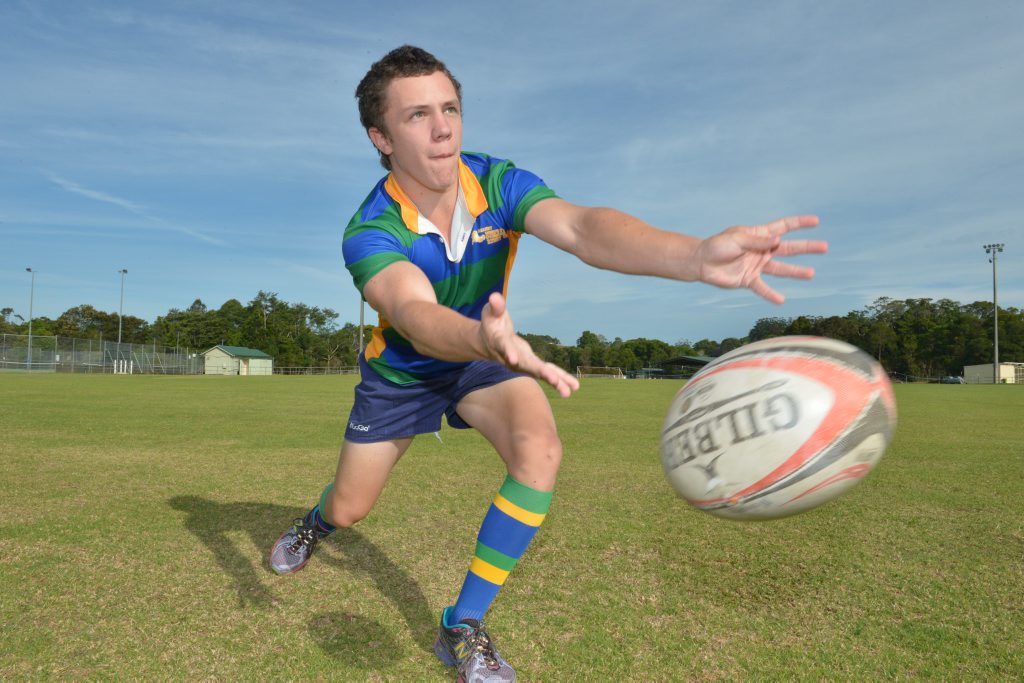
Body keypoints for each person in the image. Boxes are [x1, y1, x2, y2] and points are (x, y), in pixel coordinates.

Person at [270, 45, 827, 682]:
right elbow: (413, 312)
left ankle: (462, 623)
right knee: (351, 507)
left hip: (488, 354)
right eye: (418, 115)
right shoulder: (369, 228)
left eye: (450, 108)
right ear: (382, 137)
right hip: (408, 372)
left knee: (540, 450)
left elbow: (585, 228)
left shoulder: (498, 181)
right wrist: (482, 337)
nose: (444, 127)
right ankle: (316, 525)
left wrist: (694, 256)